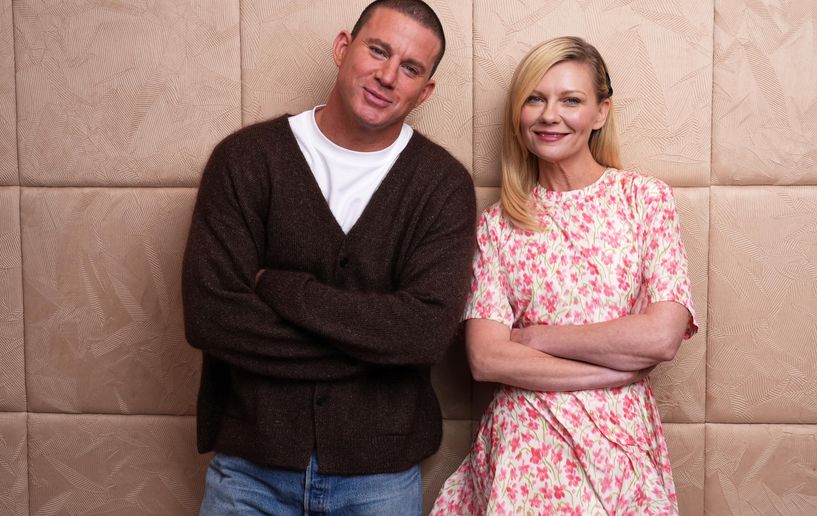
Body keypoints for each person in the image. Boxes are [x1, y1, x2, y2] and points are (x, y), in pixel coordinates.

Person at [181, 1, 476, 514]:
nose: (387, 76)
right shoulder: (246, 159)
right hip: (249, 471)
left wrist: (280, 288)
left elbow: (423, 333)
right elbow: (212, 317)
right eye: (377, 50)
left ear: (424, 91)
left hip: (379, 479)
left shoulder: (443, 185)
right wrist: (374, 348)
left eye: (410, 68)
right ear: (344, 48)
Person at [431, 36, 698, 515]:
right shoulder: (497, 224)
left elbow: (661, 337)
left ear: (600, 113)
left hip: (620, 450)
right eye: (535, 98)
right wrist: (608, 371)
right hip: (523, 454)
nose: (549, 115)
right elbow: (486, 358)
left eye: (570, 100)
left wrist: (533, 339)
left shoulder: (645, 200)